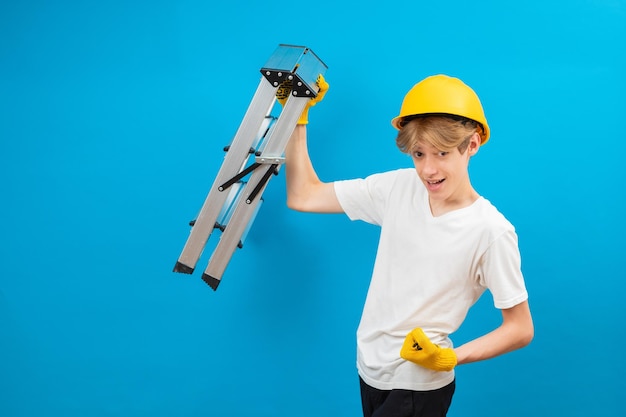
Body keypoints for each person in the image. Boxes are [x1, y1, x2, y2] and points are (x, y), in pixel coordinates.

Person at [282, 74, 534, 417]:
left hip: (417, 384)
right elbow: (304, 195)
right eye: (418, 154)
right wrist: (296, 116)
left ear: (472, 144)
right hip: (369, 368)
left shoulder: (491, 230)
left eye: (442, 153)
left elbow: (520, 328)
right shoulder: (399, 188)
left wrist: (450, 357)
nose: (428, 169)